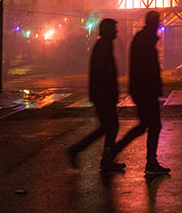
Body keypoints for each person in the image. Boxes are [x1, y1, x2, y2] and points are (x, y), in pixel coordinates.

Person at [112, 10, 170, 175]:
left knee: (145, 126)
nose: (159, 25)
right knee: (152, 126)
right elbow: (148, 69)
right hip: (146, 90)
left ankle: (116, 152)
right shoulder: (146, 41)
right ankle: (150, 163)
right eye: (158, 22)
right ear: (153, 23)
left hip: (142, 90)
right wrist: (154, 87)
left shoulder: (142, 39)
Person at [66, 18, 125, 172]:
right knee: (110, 126)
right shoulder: (103, 46)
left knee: (107, 127)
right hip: (103, 95)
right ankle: (96, 156)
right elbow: (104, 73)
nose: (116, 32)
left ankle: (97, 156)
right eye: (114, 28)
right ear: (107, 30)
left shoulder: (103, 45)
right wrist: (110, 93)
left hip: (102, 95)